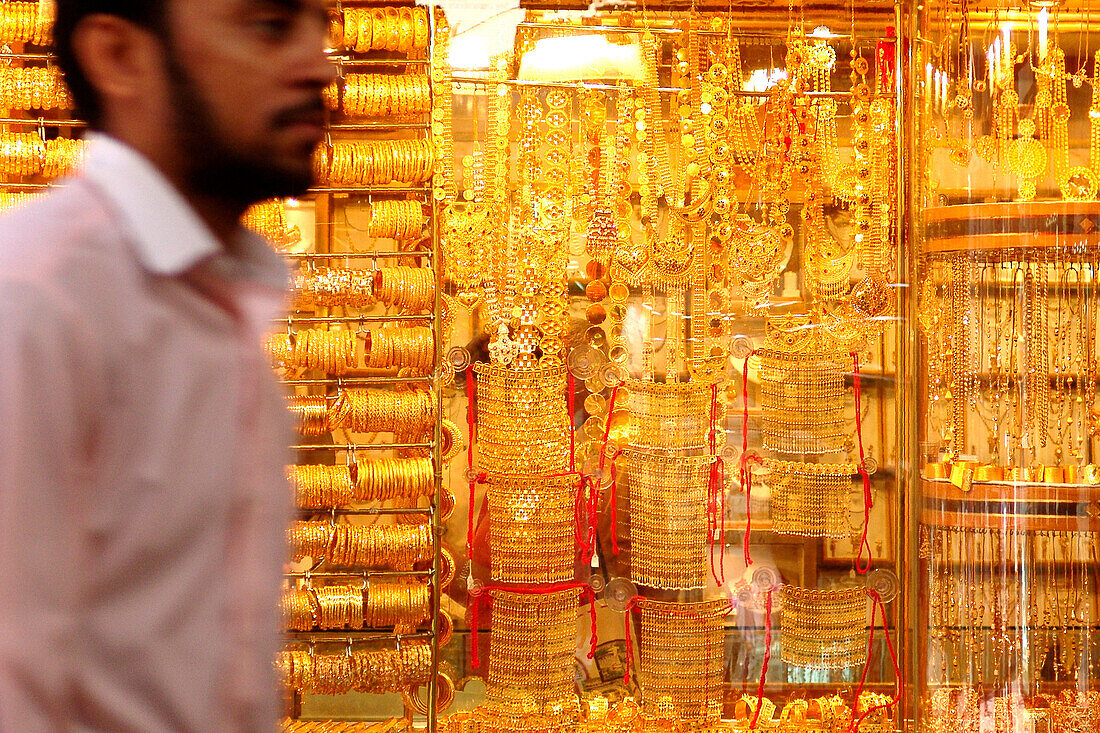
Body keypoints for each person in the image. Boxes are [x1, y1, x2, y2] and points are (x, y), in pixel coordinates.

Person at [0, 1, 334, 730]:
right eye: (269, 27)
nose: (320, 66)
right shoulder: (37, 301)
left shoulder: (226, 306)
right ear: (120, 58)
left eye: (323, 28)